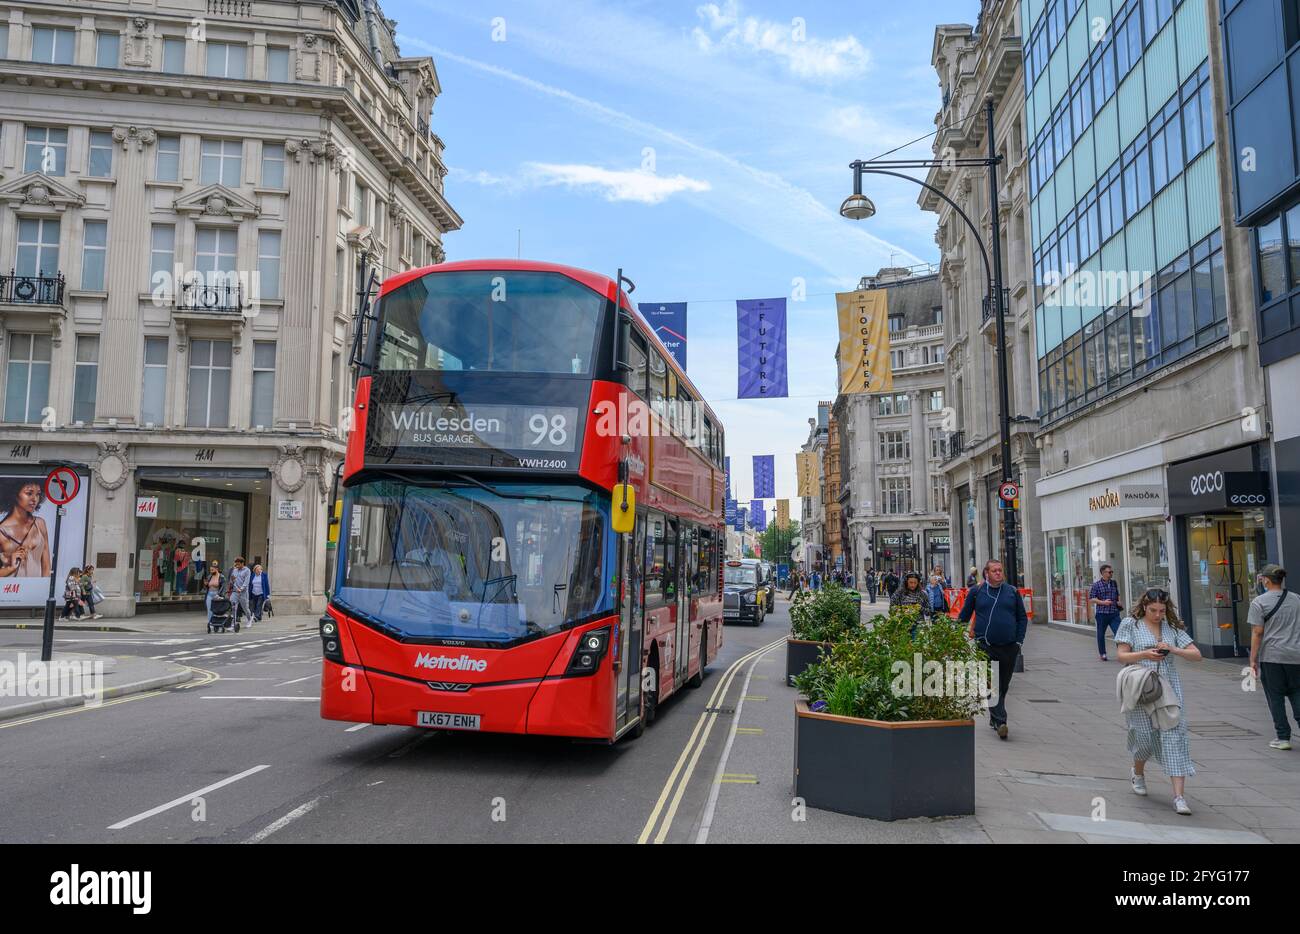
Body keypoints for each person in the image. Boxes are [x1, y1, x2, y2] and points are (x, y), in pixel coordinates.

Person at [1115, 588, 1202, 815]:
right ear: (1145, 606)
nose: (1157, 615)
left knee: (1174, 738)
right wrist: (1144, 654)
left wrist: (1172, 649)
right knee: (1143, 737)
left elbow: (1197, 654)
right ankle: (1138, 772)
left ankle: (1179, 797)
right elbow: (1121, 656)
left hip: (1169, 690)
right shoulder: (1129, 625)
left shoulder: (1172, 627)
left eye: (1162, 611)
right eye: (1153, 610)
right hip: (1140, 688)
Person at [959, 559, 1029, 740]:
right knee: (991, 685)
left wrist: (1019, 642)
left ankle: (994, 717)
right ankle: (1001, 722)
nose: (998, 573)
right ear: (986, 573)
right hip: (985, 646)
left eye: (1000, 570)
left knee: (1003, 685)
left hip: (1009, 647)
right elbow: (964, 616)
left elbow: (1022, 618)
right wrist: (954, 636)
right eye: (994, 571)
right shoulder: (977, 592)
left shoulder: (1012, 592)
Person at [1249, 564, 1300, 751]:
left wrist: (1253, 659)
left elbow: (1257, 632)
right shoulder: (1297, 599)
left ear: (1266, 580)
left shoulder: (1259, 602)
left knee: (1275, 697)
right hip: (1296, 655)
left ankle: (1283, 737)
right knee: (1297, 694)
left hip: (1272, 657)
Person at [0, 478, 51, 578]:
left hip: (35, 591)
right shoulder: (2, 531)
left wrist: (44, 589)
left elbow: (46, 566)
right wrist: (10, 568)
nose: (35, 499)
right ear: (14, 494)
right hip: (9, 591)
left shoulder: (40, 524)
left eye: (38, 494)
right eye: (29, 493)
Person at [1089, 564, 1123, 661]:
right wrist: (1103, 602)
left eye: (1112, 572)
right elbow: (1092, 599)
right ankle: (1102, 653)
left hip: (1114, 613)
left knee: (1119, 634)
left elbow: (1117, 594)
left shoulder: (1114, 583)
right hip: (1101, 614)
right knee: (1101, 634)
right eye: (1109, 572)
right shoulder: (1096, 585)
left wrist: (1118, 601)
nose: (1111, 573)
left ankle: (1121, 653)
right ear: (1103, 573)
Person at [228, 556, 252, 627]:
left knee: (245, 608)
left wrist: (241, 589)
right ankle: (234, 622)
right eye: (236, 564)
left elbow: (246, 582)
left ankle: (249, 619)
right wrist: (233, 582)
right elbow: (232, 581)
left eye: (238, 564)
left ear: (242, 563)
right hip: (235, 591)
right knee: (233, 606)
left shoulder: (247, 570)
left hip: (243, 592)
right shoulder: (234, 570)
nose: (237, 565)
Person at [205, 559, 224, 625]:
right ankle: (210, 623)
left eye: (212, 570)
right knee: (209, 609)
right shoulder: (209, 576)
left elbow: (222, 587)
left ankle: (216, 622)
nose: (211, 571)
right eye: (210, 570)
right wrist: (206, 585)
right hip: (209, 594)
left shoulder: (221, 576)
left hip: (217, 595)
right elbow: (207, 587)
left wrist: (219, 594)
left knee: (216, 610)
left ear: (217, 569)